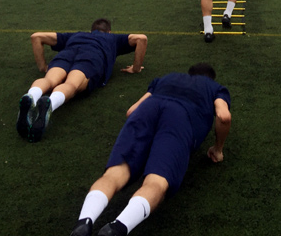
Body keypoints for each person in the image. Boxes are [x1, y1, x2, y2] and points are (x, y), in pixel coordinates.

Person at [68, 63, 231, 236]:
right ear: (211, 78)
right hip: (180, 119)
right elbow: (224, 116)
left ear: (188, 73)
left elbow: (132, 111)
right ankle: (117, 228)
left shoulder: (167, 78)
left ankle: (84, 221)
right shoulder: (216, 87)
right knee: (156, 182)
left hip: (147, 109)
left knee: (114, 174)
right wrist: (217, 148)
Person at [16, 18, 147, 143]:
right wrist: (135, 68)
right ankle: (50, 103)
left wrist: (42, 66)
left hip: (67, 53)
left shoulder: (76, 35)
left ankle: (32, 96)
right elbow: (141, 38)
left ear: (91, 30)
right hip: (91, 56)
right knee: (71, 84)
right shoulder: (112, 38)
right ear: (109, 31)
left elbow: (36, 36)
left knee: (49, 80)